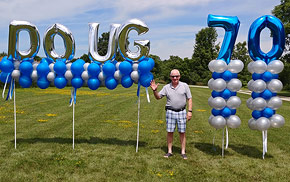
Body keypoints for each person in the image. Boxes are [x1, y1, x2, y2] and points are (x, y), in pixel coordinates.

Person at [150, 69, 192, 160]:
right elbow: (158, 97)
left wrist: (190, 111)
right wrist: (154, 91)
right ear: (170, 77)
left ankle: (183, 152)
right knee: (170, 132)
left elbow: (189, 98)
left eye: (176, 76)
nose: (175, 78)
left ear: (179, 76)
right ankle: (169, 151)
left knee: (182, 132)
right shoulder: (166, 87)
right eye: (173, 76)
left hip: (182, 111)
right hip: (170, 112)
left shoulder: (185, 86)